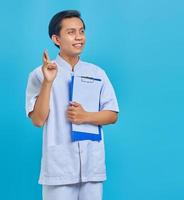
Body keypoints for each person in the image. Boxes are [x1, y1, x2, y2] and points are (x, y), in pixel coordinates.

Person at [25, 10, 119, 200]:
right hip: (59, 168)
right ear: (56, 39)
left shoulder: (97, 73)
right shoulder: (39, 74)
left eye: (82, 31)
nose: (79, 37)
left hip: (92, 167)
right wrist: (48, 81)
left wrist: (86, 116)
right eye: (71, 32)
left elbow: (112, 114)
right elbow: (38, 120)